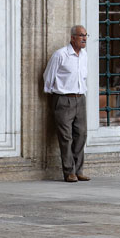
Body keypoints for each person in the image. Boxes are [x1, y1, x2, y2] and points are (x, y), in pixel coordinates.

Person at [43, 25, 90, 183]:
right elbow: (48, 76)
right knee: (66, 137)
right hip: (63, 99)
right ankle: (69, 172)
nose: (84, 38)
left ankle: (79, 170)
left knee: (81, 134)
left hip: (80, 98)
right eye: (81, 35)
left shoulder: (84, 55)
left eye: (85, 35)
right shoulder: (60, 55)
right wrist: (55, 96)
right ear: (72, 37)